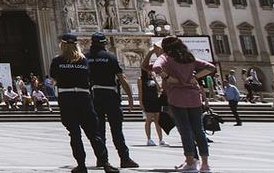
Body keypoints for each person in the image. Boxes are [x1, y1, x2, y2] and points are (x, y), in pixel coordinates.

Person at [51, 32, 117, 173]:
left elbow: (54, 78)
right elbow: (89, 78)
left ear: (62, 44)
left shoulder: (57, 60)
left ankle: (81, 165)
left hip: (66, 97)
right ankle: (105, 163)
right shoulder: (84, 60)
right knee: (94, 133)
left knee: (75, 133)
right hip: (84, 97)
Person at [151, 37, 216, 173]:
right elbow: (211, 67)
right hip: (194, 98)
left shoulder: (166, 57)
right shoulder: (189, 57)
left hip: (177, 98)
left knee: (185, 131)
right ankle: (205, 165)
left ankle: (191, 162)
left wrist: (168, 77)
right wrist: (195, 77)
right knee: (199, 131)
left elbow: (156, 67)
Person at [86, 32, 138, 169]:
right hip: (110, 95)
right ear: (104, 43)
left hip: (93, 95)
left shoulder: (85, 58)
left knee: (99, 130)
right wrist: (130, 97)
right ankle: (124, 158)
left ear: (91, 43)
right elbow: (122, 78)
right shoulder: (110, 57)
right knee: (116, 129)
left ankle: (102, 159)